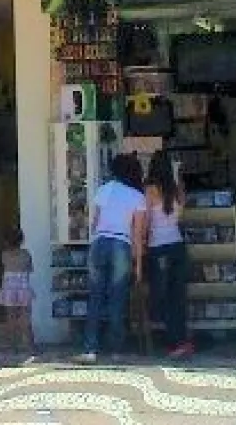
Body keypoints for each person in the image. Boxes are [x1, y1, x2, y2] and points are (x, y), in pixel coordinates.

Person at [80, 153, 147, 362]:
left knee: (96, 297)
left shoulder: (104, 189)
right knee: (117, 299)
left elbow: (94, 222)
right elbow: (137, 234)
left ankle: (90, 348)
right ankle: (116, 350)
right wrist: (138, 266)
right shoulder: (137, 197)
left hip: (99, 242)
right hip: (121, 244)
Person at [145, 150, 194, 358]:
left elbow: (147, 220)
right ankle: (182, 340)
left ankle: (173, 342)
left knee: (161, 296)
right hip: (177, 246)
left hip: (159, 247)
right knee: (178, 296)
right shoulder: (177, 189)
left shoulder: (150, 190)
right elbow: (180, 215)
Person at [0, 226, 34, 350]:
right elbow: (30, 269)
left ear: (6, 241)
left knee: (10, 316)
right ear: (21, 240)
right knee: (25, 316)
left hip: (9, 288)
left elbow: (4, 266)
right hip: (23, 287)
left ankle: (12, 345)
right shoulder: (26, 254)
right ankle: (30, 345)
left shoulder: (5, 255)